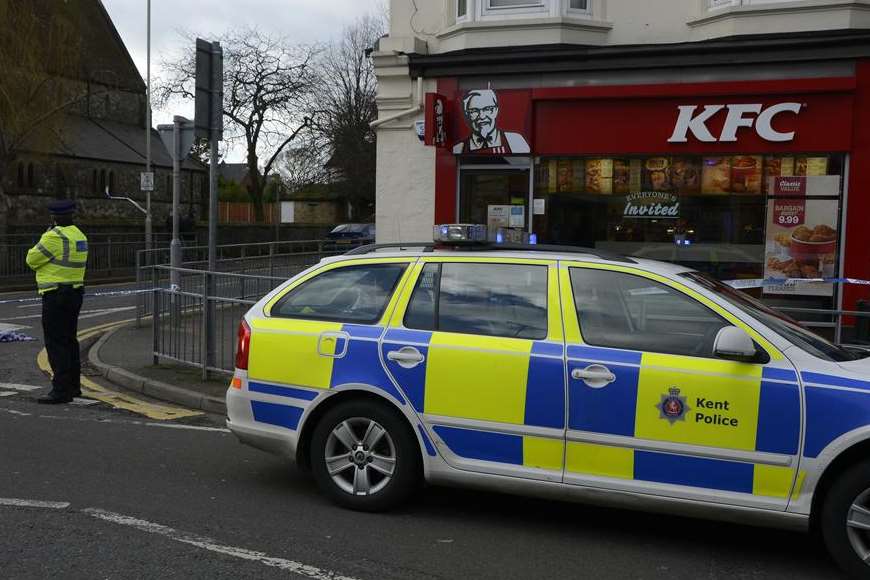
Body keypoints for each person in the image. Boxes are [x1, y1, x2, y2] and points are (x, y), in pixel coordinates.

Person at [25, 200, 89, 404]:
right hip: (75, 293)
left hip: (55, 295)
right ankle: (74, 387)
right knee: (70, 341)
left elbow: (31, 260)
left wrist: (44, 237)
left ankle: (60, 390)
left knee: (56, 343)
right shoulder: (79, 234)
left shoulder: (53, 236)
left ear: (54, 217)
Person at [452, 89, 530, 155]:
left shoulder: (515, 141)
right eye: (474, 111)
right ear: (467, 114)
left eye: (487, 109)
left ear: (496, 110)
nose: (482, 116)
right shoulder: (459, 148)